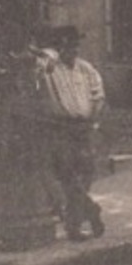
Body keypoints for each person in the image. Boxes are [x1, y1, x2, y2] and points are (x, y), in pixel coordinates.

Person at [35, 25, 106, 241]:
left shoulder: (86, 69)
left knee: (85, 174)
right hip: (61, 128)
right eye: (67, 46)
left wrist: (92, 119)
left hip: (84, 128)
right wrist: (50, 55)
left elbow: (98, 96)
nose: (73, 50)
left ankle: (76, 225)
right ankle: (89, 212)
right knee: (66, 174)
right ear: (59, 48)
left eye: (75, 45)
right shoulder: (50, 69)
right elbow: (39, 65)